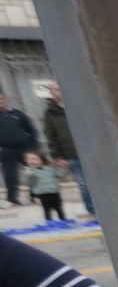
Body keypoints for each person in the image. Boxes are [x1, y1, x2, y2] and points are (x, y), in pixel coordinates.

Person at [42, 83, 93, 219]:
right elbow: (50, 136)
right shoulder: (50, 113)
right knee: (84, 184)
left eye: (60, 88)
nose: (59, 91)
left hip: (90, 151)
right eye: (55, 89)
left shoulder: (78, 106)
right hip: (70, 153)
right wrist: (57, 156)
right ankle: (93, 210)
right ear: (52, 93)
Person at [0, 93, 38, 206]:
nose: (0, 101)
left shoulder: (17, 114)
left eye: (1, 99)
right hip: (7, 150)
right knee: (10, 175)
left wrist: (33, 147)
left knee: (34, 172)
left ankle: (35, 195)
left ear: (5, 100)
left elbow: (32, 130)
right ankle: (12, 199)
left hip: (25, 149)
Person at [22, 151, 67, 222]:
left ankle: (63, 220)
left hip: (54, 192)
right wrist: (29, 176)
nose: (31, 161)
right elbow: (30, 184)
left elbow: (60, 175)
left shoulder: (50, 169)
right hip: (42, 194)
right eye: (29, 159)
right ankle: (49, 222)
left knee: (58, 208)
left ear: (41, 160)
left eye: (34, 159)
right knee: (46, 209)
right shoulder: (30, 172)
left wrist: (63, 167)